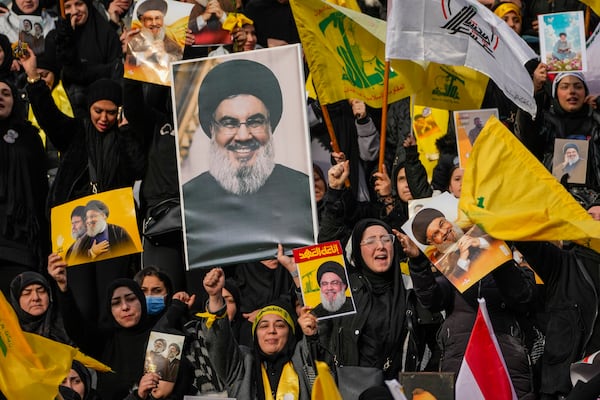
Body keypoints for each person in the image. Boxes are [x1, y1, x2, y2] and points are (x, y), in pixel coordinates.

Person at [182, 58, 312, 267]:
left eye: (255, 122)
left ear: (270, 126)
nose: (243, 136)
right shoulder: (191, 199)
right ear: (212, 129)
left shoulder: (302, 189)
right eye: (229, 123)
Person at [397, 231, 537, 399]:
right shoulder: (453, 273)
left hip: (508, 365)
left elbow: (522, 296)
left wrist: (498, 257)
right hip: (462, 364)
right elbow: (431, 300)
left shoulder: (516, 272)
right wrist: (418, 262)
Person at [316, 219, 421, 382]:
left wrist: (419, 263)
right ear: (357, 250)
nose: (381, 246)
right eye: (371, 241)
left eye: (386, 239)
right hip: (350, 391)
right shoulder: (343, 292)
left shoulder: (410, 288)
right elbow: (324, 346)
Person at [200, 267, 320, 399]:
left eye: (280, 325)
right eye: (263, 326)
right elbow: (220, 343)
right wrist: (215, 297)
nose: (271, 331)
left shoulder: (302, 359)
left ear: (290, 333)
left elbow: (319, 328)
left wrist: (296, 273)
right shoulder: (243, 365)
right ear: (255, 335)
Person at [516, 71, 600, 217]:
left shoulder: (597, 123)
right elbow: (526, 130)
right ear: (556, 93)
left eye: (578, 87)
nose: (572, 91)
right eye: (565, 87)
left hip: (593, 209)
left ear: (585, 93)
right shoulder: (545, 123)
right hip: (552, 207)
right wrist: (535, 89)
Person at [0, 77, 48, 297]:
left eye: (5, 93)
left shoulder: (30, 137)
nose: (0, 96)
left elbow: (40, 190)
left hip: (20, 244)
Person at [411, 208, 492, 279]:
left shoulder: (474, 227)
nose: (444, 232)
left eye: (442, 224)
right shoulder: (439, 265)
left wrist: (480, 241)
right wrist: (462, 259)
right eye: (435, 234)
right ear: (430, 243)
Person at [126, 0, 182, 70]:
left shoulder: (174, 45)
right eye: (149, 19)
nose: (154, 23)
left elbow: (179, 68)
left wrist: (164, 55)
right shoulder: (133, 41)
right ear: (142, 22)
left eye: (157, 18)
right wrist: (146, 54)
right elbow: (128, 63)